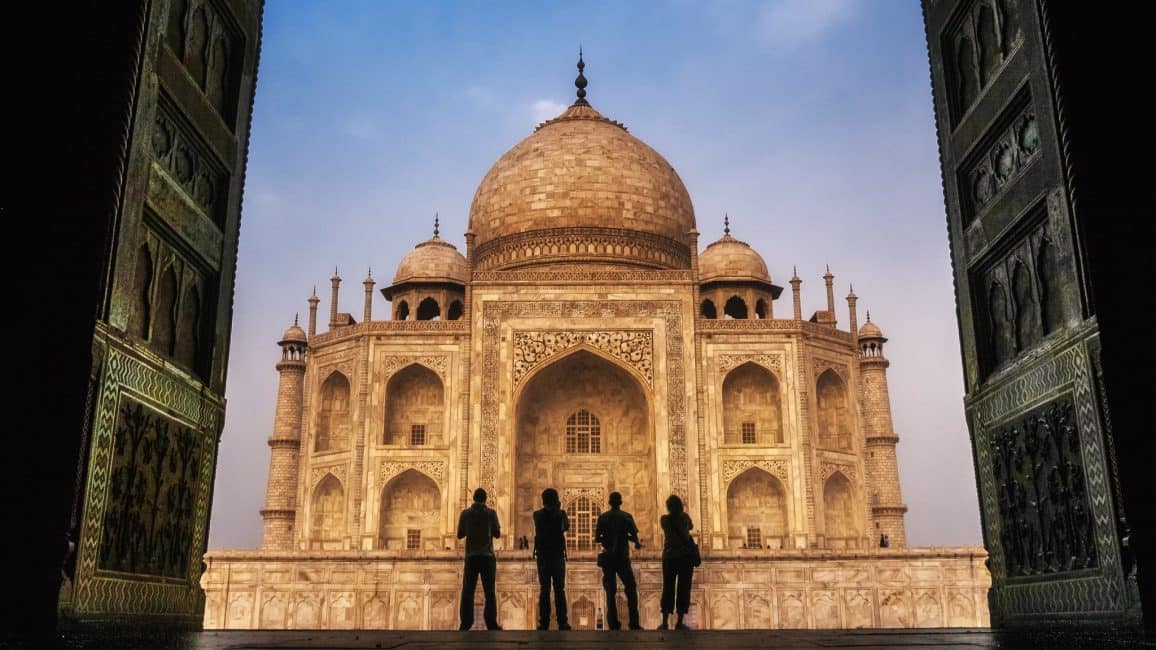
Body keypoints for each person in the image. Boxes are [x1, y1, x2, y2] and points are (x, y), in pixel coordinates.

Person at [594, 491, 642, 630]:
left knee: (610, 591)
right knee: (631, 588)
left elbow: (597, 538)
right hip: (622, 557)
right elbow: (635, 538)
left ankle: (613, 624)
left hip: (608, 557)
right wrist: (624, 537)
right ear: (620, 502)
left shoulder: (603, 517)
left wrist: (607, 539)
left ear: (610, 502)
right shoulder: (626, 517)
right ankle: (634, 623)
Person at [457, 487, 502, 630]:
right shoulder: (491, 513)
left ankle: (465, 623)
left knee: (468, 591)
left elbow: (460, 534)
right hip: (487, 557)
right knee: (490, 592)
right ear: (485, 499)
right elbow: (497, 534)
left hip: (471, 557)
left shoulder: (465, 514)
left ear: (474, 498)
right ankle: (491, 623)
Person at [533, 487, 571, 630]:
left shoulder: (537, 514)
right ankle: (562, 621)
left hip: (543, 557)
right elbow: (565, 526)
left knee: (545, 590)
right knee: (559, 590)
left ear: (543, 500)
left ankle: (544, 622)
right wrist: (559, 509)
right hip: (556, 556)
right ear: (556, 500)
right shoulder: (560, 514)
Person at [658, 494, 695, 630]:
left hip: (669, 557)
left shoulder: (665, 519)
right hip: (685, 558)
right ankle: (679, 622)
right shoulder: (685, 517)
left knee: (668, 588)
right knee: (683, 589)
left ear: (668, 507)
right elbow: (691, 527)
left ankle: (665, 622)